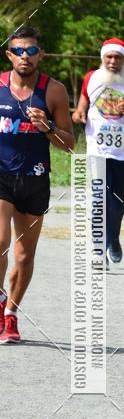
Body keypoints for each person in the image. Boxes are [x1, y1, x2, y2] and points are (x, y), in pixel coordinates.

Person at [0, 26, 74, 344]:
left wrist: (46, 127)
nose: (25, 56)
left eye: (31, 51)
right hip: (1, 177)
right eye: (18, 51)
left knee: (24, 256)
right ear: (9, 55)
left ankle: (11, 314)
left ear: (40, 55)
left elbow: (69, 143)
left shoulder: (54, 91)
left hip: (35, 179)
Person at [73, 37, 124, 265]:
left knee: (116, 201)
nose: (112, 61)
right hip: (97, 149)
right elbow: (84, 98)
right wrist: (79, 112)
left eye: (117, 57)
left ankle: (114, 238)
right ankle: (98, 249)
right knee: (100, 198)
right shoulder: (92, 77)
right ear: (103, 58)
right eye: (109, 56)